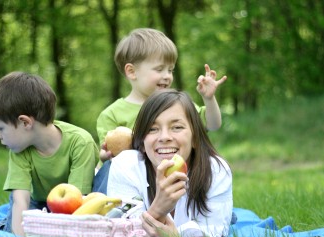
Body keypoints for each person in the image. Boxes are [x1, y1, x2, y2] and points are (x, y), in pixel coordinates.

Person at [106, 89, 233, 237]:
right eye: (152, 129)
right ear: (142, 141)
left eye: (177, 127)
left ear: (194, 138)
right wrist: (159, 206)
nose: (164, 137)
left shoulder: (215, 171)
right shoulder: (125, 165)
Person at [0, 71, 99, 237]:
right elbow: (21, 199)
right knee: (13, 222)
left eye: (0, 128)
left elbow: (77, 203)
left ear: (25, 122)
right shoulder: (19, 149)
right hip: (36, 204)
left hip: (74, 203)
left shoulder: (80, 143)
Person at [96, 28, 227, 164]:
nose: (167, 76)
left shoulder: (178, 105)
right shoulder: (111, 115)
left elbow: (213, 125)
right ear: (131, 71)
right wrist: (107, 157)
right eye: (159, 69)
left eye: (170, 70)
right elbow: (109, 153)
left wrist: (209, 98)